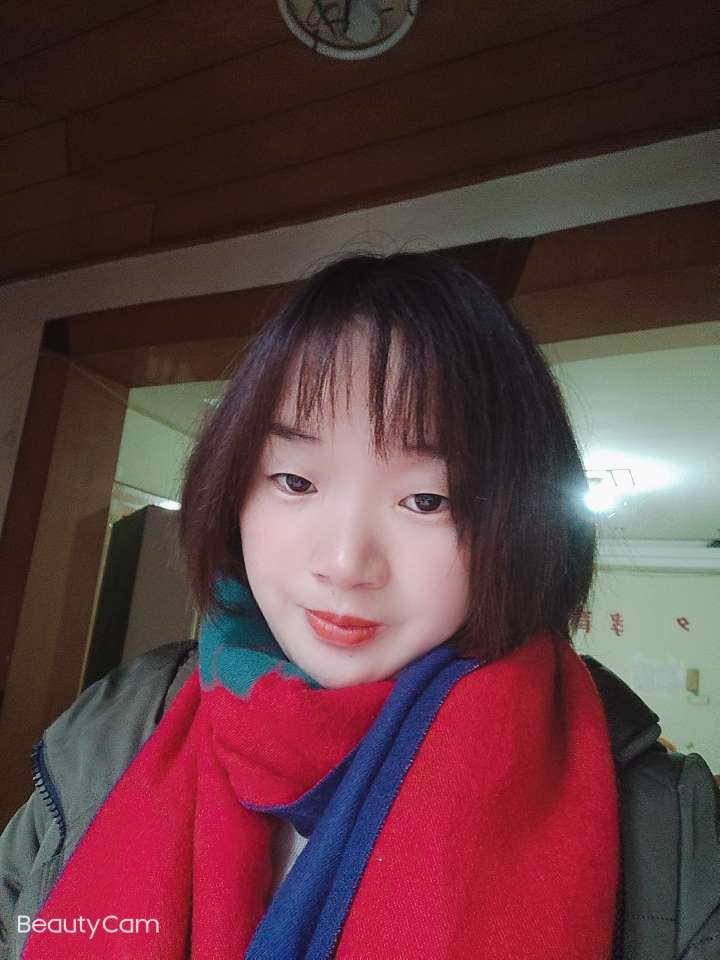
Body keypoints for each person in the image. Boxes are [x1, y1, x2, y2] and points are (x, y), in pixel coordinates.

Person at [1, 252, 718, 960]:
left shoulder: (666, 826)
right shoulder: (112, 731)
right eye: (294, 481)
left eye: (427, 500)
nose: (345, 564)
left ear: (522, 520)